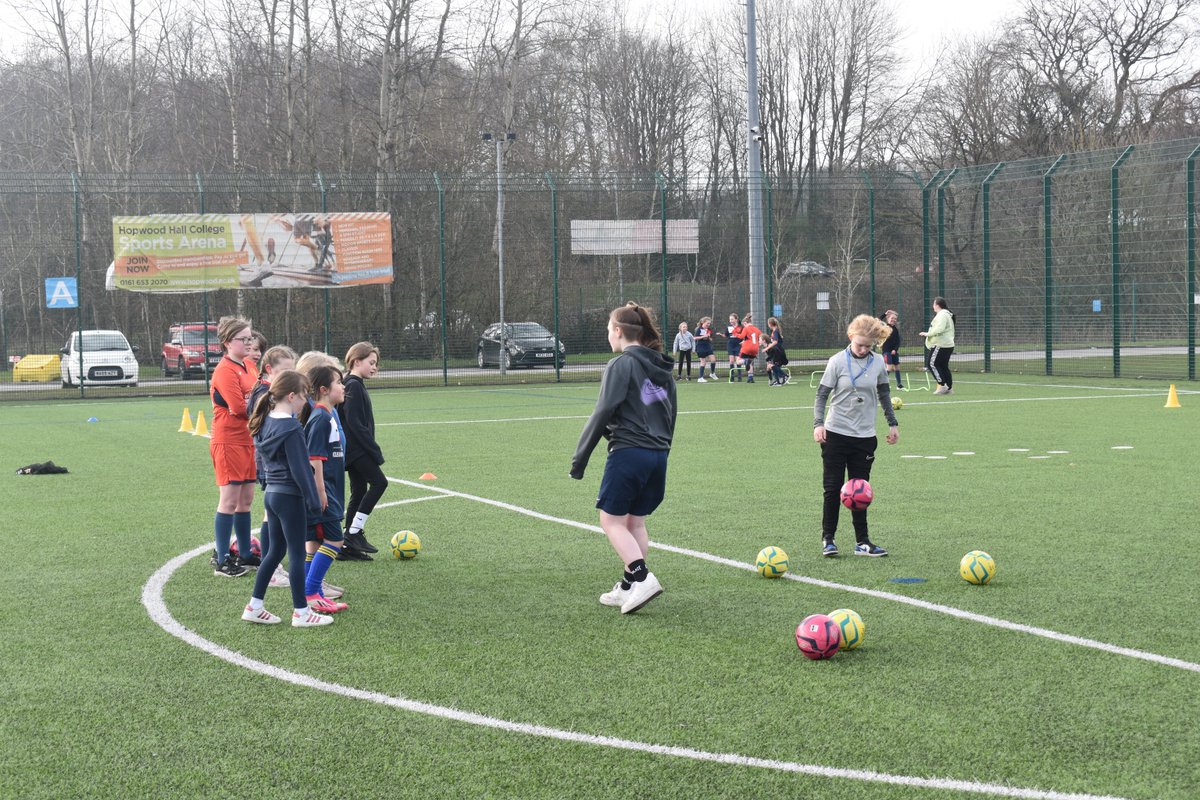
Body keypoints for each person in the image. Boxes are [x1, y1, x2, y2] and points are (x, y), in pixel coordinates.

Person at [570, 302, 676, 615]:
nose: (608, 336)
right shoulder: (662, 368)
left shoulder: (621, 365)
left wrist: (580, 459)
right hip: (658, 455)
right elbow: (669, 414)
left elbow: (603, 411)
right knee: (635, 520)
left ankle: (642, 577)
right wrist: (663, 447)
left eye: (608, 330)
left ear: (618, 331)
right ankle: (628, 585)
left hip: (629, 453)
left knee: (611, 519)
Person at [242, 369, 332, 627]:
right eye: (304, 396)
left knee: (275, 552)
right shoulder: (292, 427)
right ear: (291, 396)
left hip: (272, 494)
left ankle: (254, 606)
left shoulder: (265, 421)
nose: (307, 402)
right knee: (295, 554)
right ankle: (301, 613)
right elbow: (300, 470)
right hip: (290, 496)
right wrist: (314, 502)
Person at [813, 314, 899, 558]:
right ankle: (828, 539)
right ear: (851, 337)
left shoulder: (878, 363)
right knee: (832, 489)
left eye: (868, 346)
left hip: (864, 437)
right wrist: (818, 424)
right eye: (859, 344)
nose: (863, 349)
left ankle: (862, 542)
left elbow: (884, 394)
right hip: (836, 434)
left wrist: (892, 423)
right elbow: (821, 396)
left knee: (860, 491)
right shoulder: (837, 362)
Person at [209, 316, 260, 578]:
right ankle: (222, 559)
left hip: (248, 439)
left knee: (246, 500)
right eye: (244, 339)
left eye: (250, 338)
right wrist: (261, 404)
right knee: (228, 501)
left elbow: (256, 397)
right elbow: (239, 408)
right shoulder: (225, 370)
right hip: (228, 440)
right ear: (228, 342)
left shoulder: (249, 366)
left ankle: (245, 553)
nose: (249, 343)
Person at [248, 344, 298, 589]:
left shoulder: (269, 391)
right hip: (271, 464)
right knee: (270, 513)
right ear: (269, 369)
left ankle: (274, 564)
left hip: (273, 462)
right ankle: (272, 568)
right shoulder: (264, 394)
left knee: (271, 512)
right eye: (286, 370)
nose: (291, 375)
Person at [301, 365, 350, 615]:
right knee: (335, 540)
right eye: (338, 383)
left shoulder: (328, 415)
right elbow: (315, 459)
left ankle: (313, 593)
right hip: (325, 492)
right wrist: (321, 493)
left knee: (319, 540)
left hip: (330, 488)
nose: (343, 387)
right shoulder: (320, 417)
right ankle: (311, 593)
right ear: (323, 389)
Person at [340, 342, 387, 558]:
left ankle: (348, 545)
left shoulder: (353, 384)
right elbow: (355, 423)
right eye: (371, 362)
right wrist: (374, 450)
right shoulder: (353, 385)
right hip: (357, 450)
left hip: (354, 449)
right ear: (356, 361)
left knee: (358, 491)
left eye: (376, 363)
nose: (374, 367)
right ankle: (354, 532)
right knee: (379, 483)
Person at [919, 297, 956, 395]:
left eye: (933, 304)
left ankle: (942, 385)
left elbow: (939, 329)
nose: (933, 306)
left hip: (941, 344)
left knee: (931, 364)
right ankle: (949, 387)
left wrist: (928, 334)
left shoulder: (942, 315)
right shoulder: (946, 314)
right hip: (948, 344)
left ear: (937, 305)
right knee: (943, 366)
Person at [880, 310, 903, 389]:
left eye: (895, 318)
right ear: (888, 318)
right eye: (892, 318)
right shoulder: (884, 327)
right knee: (889, 367)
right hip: (886, 351)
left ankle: (899, 385)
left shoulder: (895, 329)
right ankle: (882, 383)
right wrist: (884, 314)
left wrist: (895, 350)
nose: (894, 320)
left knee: (897, 367)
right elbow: (877, 321)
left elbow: (898, 341)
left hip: (894, 351)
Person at [763, 317, 790, 386]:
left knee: (773, 365)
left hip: (779, 351)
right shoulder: (775, 331)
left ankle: (784, 376)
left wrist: (767, 348)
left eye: (768, 324)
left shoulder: (775, 331)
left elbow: (775, 342)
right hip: (776, 351)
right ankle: (777, 380)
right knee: (773, 365)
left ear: (770, 324)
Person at [738, 314, 763, 383]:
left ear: (745, 323)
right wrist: (759, 344)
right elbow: (761, 338)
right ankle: (750, 378)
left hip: (747, 347)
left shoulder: (746, 328)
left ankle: (745, 361)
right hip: (755, 348)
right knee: (750, 363)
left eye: (744, 325)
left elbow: (742, 336)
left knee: (738, 361)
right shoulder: (757, 329)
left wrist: (743, 341)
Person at [694, 316, 716, 381]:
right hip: (700, 347)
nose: (708, 325)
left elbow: (711, 339)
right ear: (703, 322)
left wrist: (709, 338)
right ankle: (700, 378)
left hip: (708, 346)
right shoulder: (699, 329)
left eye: (709, 323)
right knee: (703, 362)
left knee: (713, 360)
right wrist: (703, 336)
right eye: (707, 323)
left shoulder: (709, 330)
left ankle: (712, 373)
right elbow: (695, 338)